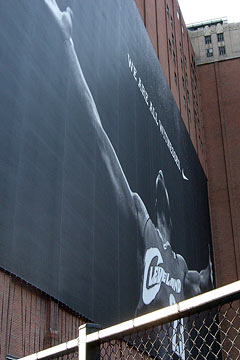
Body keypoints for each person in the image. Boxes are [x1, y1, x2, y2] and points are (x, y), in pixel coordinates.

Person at [43, 0, 213, 319]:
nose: (161, 174)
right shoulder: (140, 215)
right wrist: (68, 42)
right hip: (140, 341)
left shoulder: (182, 268)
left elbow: (205, 280)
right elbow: (100, 136)